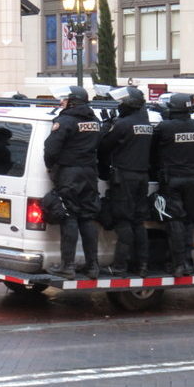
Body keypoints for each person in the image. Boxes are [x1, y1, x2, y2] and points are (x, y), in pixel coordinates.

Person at [43, 85, 101, 280]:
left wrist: (51, 167)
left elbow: (51, 149)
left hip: (70, 174)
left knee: (69, 217)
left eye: (64, 99)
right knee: (87, 217)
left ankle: (67, 266)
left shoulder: (65, 121)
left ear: (72, 101)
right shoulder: (95, 121)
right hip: (89, 173)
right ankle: (93, 266)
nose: (61, 102)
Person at [98, 86, 151, 278]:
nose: (119, 105)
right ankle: (142, 265)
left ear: (129, 104)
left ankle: (120, 266)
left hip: (125, 178)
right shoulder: (146, 124)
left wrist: (106, 125)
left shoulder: (123, 124)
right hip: (142, 177)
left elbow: (104, 146)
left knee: (123, 221)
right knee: (139, 221)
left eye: (121, 102)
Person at [151, 92, 194, 277]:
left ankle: (178, 264)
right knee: (188, 220)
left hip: (172, 180)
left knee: (175, 221)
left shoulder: (165, 126)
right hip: (192, 180)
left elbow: (154, 146)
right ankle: (188, 261)